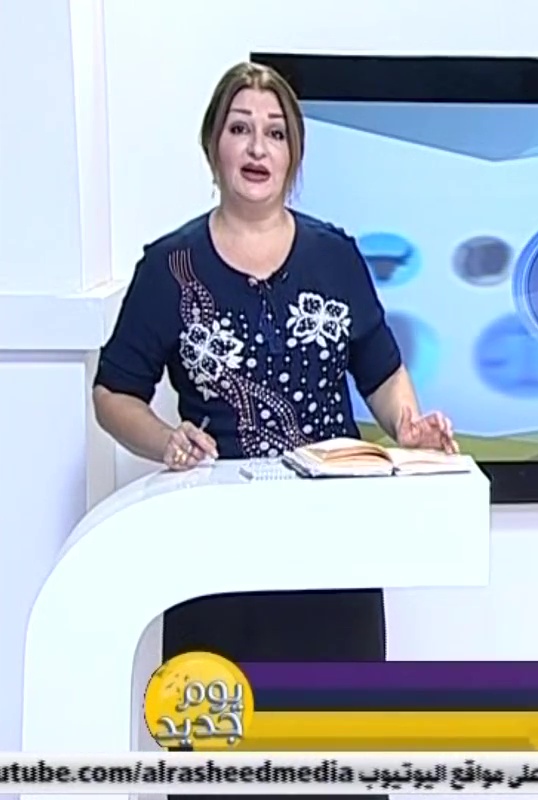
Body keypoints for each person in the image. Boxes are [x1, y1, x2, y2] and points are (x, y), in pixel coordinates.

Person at [93, 62, 457, 797]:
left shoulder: (335, 256)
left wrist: (408, 425)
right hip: (214, 560)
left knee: (339, 758)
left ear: (293, 155)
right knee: (219, 764)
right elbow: (113, 394)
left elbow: (382, 372)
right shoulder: (168, 267)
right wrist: (165, 439)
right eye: (240, 129)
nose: (258, 147)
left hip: (332, 555)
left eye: (276, 133)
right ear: (213, 147)